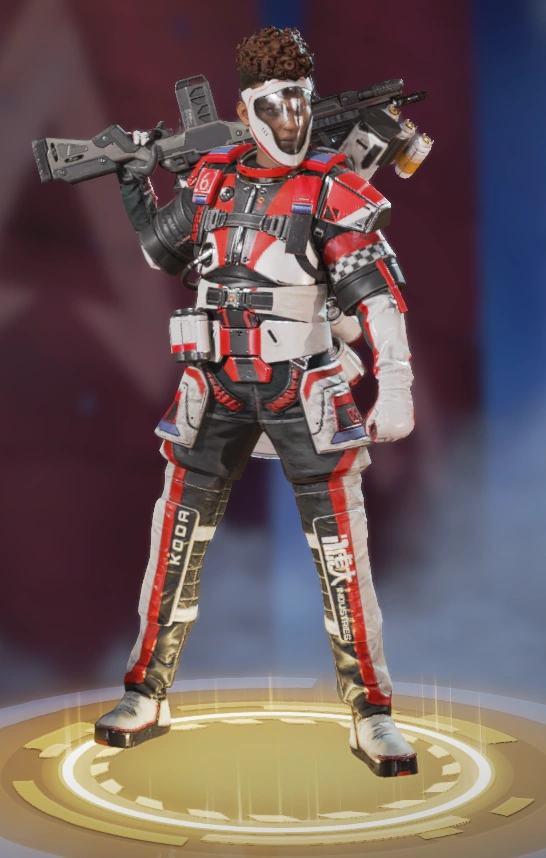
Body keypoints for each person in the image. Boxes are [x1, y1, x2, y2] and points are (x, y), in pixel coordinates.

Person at [95, 25, 417, 779]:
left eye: (300, 101)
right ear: (245, 110)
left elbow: (376, 293)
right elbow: (160, 251)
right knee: (176, 538)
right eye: (275, 104)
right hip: (213, 385)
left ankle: (371, 711)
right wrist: (133, 180)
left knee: (341, 551)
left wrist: (397, 381)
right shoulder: (210, 178)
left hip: (303, 384)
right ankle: (146, 692)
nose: (291, 119)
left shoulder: (331, 187)